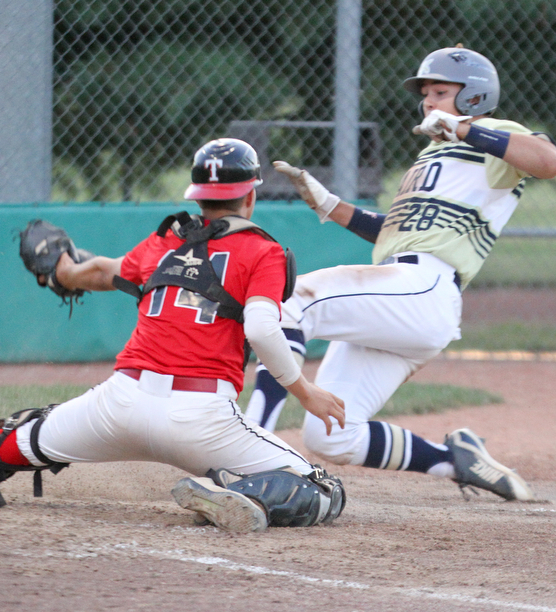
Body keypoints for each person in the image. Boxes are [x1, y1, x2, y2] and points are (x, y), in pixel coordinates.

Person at [245, 46, 556, 501]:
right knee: (330, 434)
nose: (429, 101)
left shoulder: (491, 135)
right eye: (426, 94)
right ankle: (454, 460)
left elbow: (549, 162)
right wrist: (331, 206)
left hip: (425, 287)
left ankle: (250, 448)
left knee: (293, 300)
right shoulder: (429, 157)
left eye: (441, 91)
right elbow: (397, 232)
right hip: (404, 294)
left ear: (474, 97)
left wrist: (466, 129)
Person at [0, 138, 347, 533]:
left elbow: (99, 272)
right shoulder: (262, 251)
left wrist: (60, 269)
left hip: (115, 407)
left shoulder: (167, 240)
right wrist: (306, 392)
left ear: (198, 196)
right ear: (250, 196)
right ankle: (242, 493)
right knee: (321, 488)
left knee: (16, 440)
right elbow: (263, 329)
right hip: (200, 419)